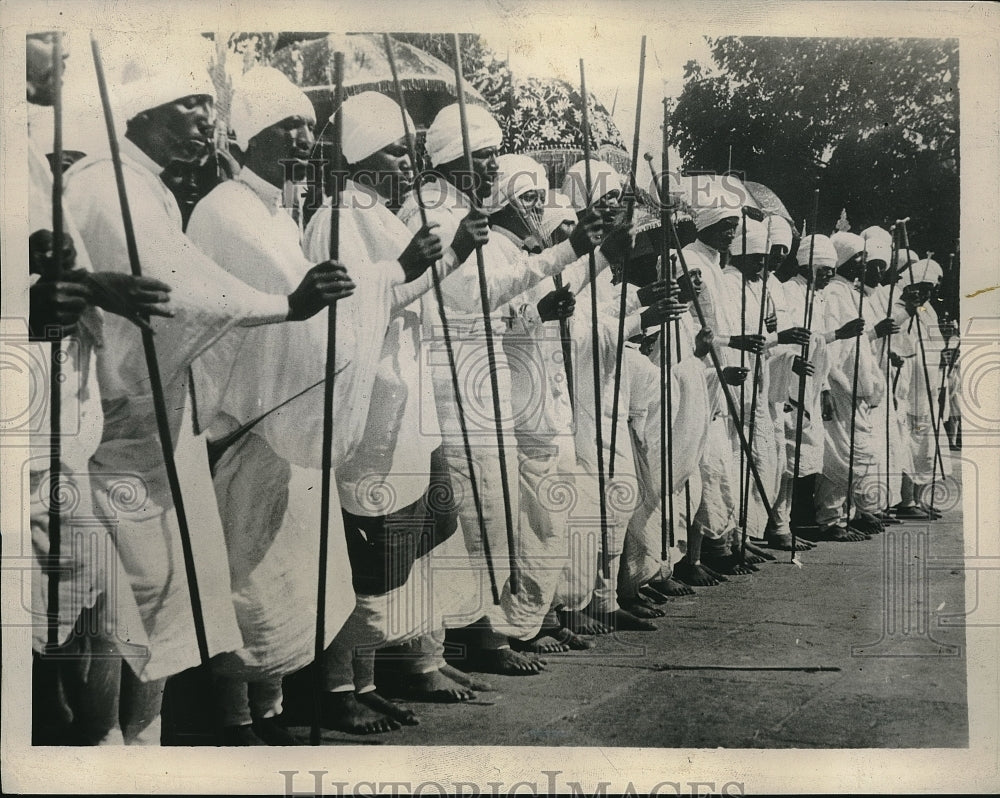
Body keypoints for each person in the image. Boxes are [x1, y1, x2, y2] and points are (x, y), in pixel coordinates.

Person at [63, 43, 352, 744]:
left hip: (161, 422)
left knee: (162, 604)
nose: (203, 118)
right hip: (121, 427)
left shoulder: (148, 184)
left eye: (207, 105)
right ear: (145, 110)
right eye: (189, 105)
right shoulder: (110, 186)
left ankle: (141, 745)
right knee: (129, 607)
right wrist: (285, 307)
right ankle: (111, 750)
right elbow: (182, 293)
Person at [302, 90, 492, 716]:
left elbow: (421, 296)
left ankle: (369, 681)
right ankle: (335, 686)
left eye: (411, 148)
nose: (409, 161)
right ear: (359, 155)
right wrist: (446, 257)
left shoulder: (380, 214)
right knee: (371, 552)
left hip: (406, 403)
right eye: (394, 148)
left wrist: (448, 257)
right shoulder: (336, 218)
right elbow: (357, 307)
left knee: (412, 542)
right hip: (370, 407)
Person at [397, 103, 605, 674]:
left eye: (494, 155)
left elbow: (501, 289)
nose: (491, 166)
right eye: (482, 155)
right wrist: (569, 251)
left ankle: (488, 622)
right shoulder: (434, 211)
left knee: (497, 504)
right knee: (472, 504)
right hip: (453, 373)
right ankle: (477, 633)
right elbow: (471, 293)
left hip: (480, 376)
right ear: (450, 158)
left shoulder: (461, 210)